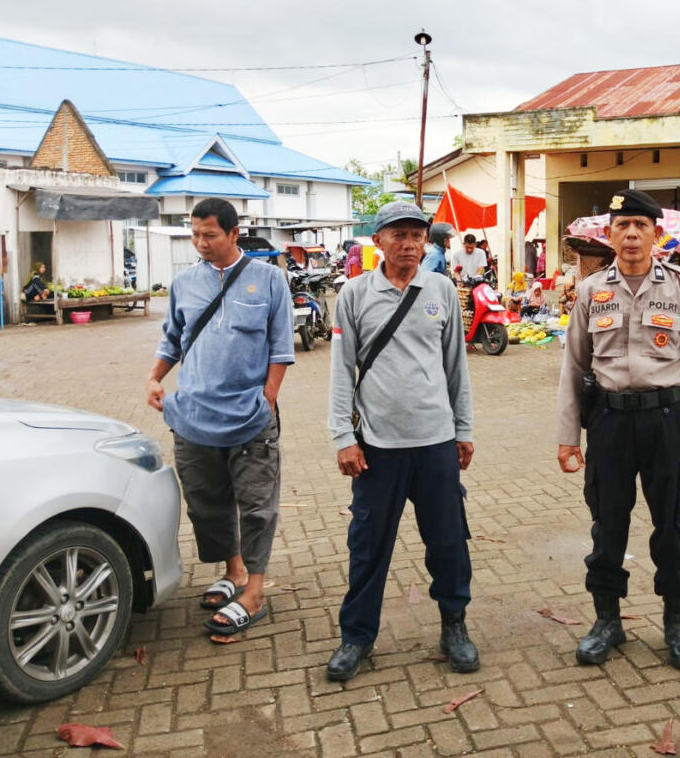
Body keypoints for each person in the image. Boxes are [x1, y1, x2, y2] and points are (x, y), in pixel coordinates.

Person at [555, 189, 680, 670]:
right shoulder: (590, 291)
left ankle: (677, 620)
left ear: (656, 234)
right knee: (608, 525)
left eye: (641, 226)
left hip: (667, 421)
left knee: (672, 527)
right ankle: (607, 620)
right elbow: (572, 367)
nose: (631, 235)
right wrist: (568, 437)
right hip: (608, 422)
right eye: (622, 226)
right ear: (609, 234)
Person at [326, 201, 477, 682]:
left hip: (435, 441)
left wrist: (464, 428)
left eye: (417, 236)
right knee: (368, 546)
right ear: (378, 242)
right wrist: (343, 437)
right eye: (399, 235)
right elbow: (339, 372)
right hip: (377, 447)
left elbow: (457, 366)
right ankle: (357, 637)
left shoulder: (441, 291)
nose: (410, 244)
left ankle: (454, 625)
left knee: (448, 541)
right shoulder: (353, 294)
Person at [146, 197, 294, 638]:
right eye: (195, 234)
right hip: (193, 416)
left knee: (256, 506)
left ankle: (255, 589)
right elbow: (172, 338)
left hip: (249, 418)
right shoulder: (185, 283)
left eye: (209, 235)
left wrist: (267, 398)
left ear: (233, 233)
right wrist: (154, 379)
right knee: (207, 504)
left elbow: (281, 348)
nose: (201, 243)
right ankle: (232, 571)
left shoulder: (270, 281)